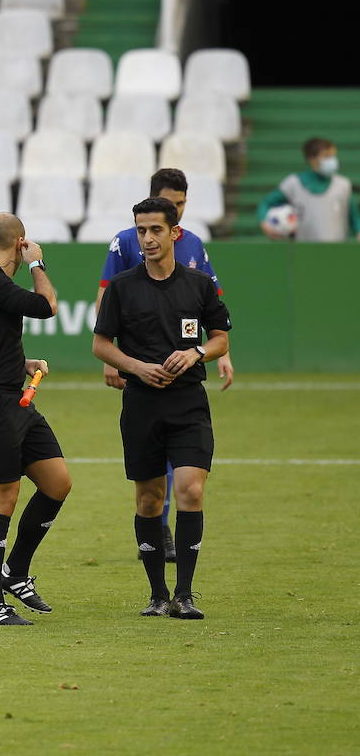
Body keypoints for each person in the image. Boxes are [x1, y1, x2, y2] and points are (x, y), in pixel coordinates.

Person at [93, 197, 232, 620]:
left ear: (175, 233)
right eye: (141, 230)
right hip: (141, 405)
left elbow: (220, 339)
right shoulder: (122, 288)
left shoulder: (199, 285)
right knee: (150, 499)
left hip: (189, 403)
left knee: (190, 489)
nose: (147, 238)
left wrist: (196, 354)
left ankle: (185, 595)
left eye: (155, 230)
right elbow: (101, 345)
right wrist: (137, 367)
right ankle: (157, 595)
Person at [0, 213, 72, 626]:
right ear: (20, 243)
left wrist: (17, 362)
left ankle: (15, 572)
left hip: (13, 399)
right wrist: (38, 263)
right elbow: (47, 306)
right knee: (2, 499)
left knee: (58, 482)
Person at [257, 137, 359, 241]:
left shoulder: (343, 185)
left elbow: (354, 216)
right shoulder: (293, 184)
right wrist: (264, 223)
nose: (332, 160)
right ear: (312, 159)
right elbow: (266, 203)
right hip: (303, 250)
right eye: (326, 156)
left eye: (333, 156)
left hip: (337, 250)